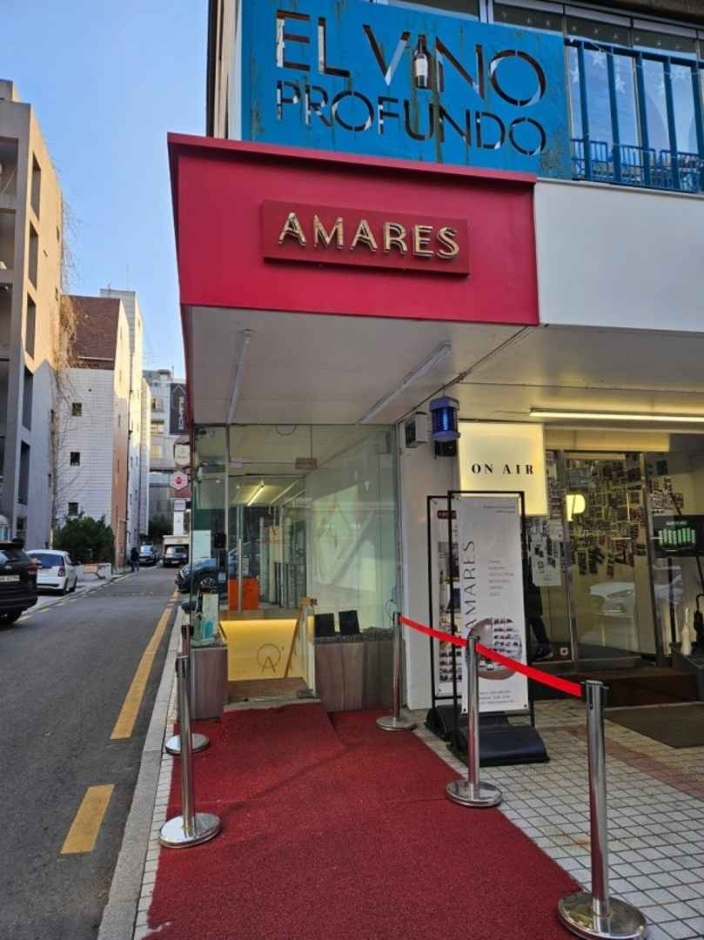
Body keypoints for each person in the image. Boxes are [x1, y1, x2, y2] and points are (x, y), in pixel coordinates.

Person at [525, 568, 553, 662]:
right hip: (531, 591)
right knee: (534, 619)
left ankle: (545, 647)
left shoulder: (527, 565)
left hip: (529, 591)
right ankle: (545, 647)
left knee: (533, 619)